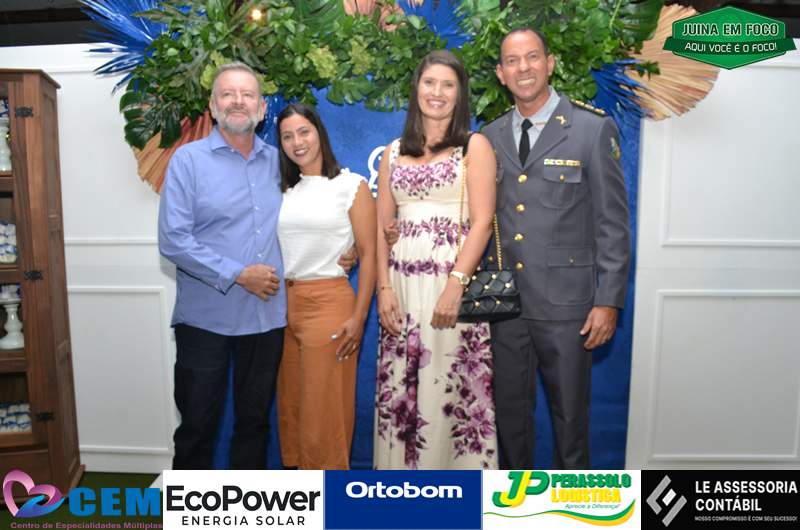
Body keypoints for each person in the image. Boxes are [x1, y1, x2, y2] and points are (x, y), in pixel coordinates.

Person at [482, 28, 631, 469]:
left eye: (532, 57)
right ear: (501, 74)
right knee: (510, 420)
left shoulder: (591, 129)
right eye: (512, 61)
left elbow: (613, 224)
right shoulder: (489, 136)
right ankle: (514, 502)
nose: (523, 68)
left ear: (549, 63)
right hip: (506, 305)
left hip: (568, 307)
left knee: (570, 423)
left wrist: (608, 301)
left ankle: (569, 504)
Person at [374, 50, 498, 469]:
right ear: (416, 89)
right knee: (403, 388)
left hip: (450, 286)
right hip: (402, 289)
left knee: (447, 388)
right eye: (430, 83)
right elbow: (382, 228)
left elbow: (482, 223)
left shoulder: (474, 146)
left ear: (460, 94)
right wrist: (383, 289)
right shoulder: (393, 152)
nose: (437, 93)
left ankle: (455, 489)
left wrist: (455, 285)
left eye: (448, 85)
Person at [158, 62, 285, 469]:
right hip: (205, 319)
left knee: (254, 426)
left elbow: (306, 222)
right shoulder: (187, 161)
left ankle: (245, 504)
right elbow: (173, 239)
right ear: (213, 107)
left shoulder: (281, 163)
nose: (238, 101)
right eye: (227, 94)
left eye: (248, 94)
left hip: (266, 318)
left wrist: (346, 250)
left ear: (262, 109)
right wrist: (238, 274)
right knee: (197, 427)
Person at [275, 103, 376, 469]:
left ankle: (329, 496)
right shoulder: (283, 191)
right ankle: (302, 496)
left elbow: (370, 254)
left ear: (319, 132)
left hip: (329, 306)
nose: (297, 142)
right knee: (292, 411)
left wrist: (359, 318)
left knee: (324, 416)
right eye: (287, 136)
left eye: (304, 131)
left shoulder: (350, 186)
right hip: (282, 309)